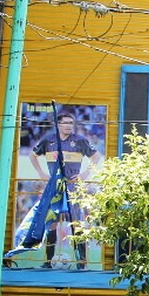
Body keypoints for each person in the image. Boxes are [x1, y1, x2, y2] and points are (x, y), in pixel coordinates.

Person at [28, 112, 99, 269]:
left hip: (73, 187)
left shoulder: (79, 140)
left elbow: (96, 156)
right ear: (58, 124)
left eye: (71, 123)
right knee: (52, 222)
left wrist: (85, 174)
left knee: (76, 223)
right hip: (54, 187)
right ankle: (48, 262)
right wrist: (41, 174)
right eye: (65, 122)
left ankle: (82, 263)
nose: (68, 126)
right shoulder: (48, 140)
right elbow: (32, 156)